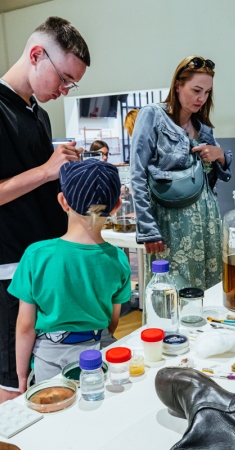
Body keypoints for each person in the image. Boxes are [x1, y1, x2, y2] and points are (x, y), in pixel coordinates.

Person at [0, 16, 90, 402]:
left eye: (73, 83)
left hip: (45, 267)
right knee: (11, 386)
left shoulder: (39, 112)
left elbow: (41, 180)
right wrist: (45, 170)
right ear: (37, 55)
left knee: (42, 375)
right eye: (64, 79)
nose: (66, 91)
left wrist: (67, 169)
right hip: (10, 271)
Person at [9, 159, 131, 392]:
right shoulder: (118, 259)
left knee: (55, 415)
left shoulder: (36, 255)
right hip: (97, 354)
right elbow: (112, 321)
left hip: (49, 359)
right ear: (116, 205)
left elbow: (25, 325)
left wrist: (22, 374)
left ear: (63, 201)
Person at [130, 56, 232, 290]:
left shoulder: (203, 127)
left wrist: (221, 155)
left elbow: (213, 179)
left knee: (208, 289)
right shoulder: (152, 115)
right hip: (171, 225)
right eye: (196, 90)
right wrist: (147, 228)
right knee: (171, 291)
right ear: (178, 85)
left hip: (207, 223)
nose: (201, 98)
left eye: (207, 92)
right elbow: (137, 174)